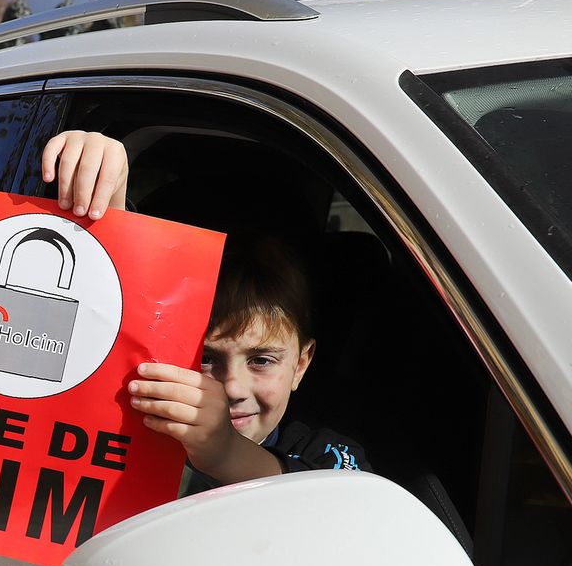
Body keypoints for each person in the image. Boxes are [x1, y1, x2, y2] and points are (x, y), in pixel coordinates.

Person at [40, 130, 370, 489]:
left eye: (261, 360)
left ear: (301, 365)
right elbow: (109, 316)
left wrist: (224, 452)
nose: (231, 387)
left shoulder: (323, 454)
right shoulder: (120, 430)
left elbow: (346, 506)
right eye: (206, 357)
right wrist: (105, 192)